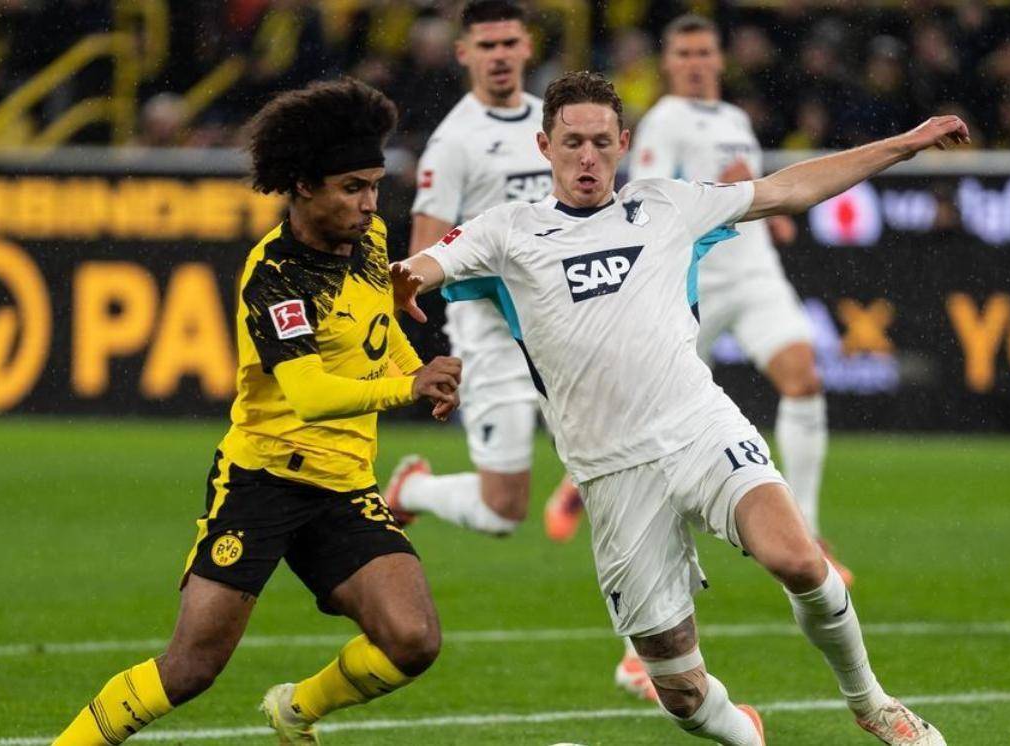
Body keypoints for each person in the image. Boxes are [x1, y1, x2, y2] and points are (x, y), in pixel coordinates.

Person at [395, 71, 965, 745]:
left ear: (623, 142)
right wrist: (402, 296)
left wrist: (905, 143)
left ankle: (872, 703)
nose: (587, 157)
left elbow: (788, 189)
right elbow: (416, 269)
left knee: (798, 559)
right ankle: (745, 735)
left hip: (698, 428)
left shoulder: (666, 205)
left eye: (600, 142)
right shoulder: (505, 231)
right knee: (683, 694)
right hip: (609, 471)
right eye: (572, 143)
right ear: (544, 146)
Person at [53, 78, 463, 745]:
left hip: (343, 485)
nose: (369, 204)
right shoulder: (274, 275)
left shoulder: (368, 240)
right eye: (352, 188)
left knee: (413, 639)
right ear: (303, 186)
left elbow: (374, 331)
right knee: (191, 668)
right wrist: (407, 390)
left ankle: (294, 711)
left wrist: (414, 368)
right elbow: (310, 395)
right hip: (262, 482)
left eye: (374, 185)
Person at [625, 13, 854, 700]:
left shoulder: (733, 118)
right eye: (684, 52)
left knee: (803, 379)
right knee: (656, 423)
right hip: (694, 284)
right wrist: (722, 193)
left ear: (718, 60)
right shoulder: (662, 123)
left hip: (753, 275)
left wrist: (764, 211)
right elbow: (645, 205)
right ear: (669, 63)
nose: (695, 62)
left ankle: (809, 532)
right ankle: (641, 601)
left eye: (704, 51)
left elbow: (751, 189)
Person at [385, 0, 585, 545]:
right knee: (502, 512)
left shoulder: (556, 123)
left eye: (508, 43)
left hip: (566, 325)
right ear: (464, 53)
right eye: (487, 45)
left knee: (623, 458)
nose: (499, 55)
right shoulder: (454, 142)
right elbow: (422, 255)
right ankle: (412, 490)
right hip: (492, 339)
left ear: (527, 46)